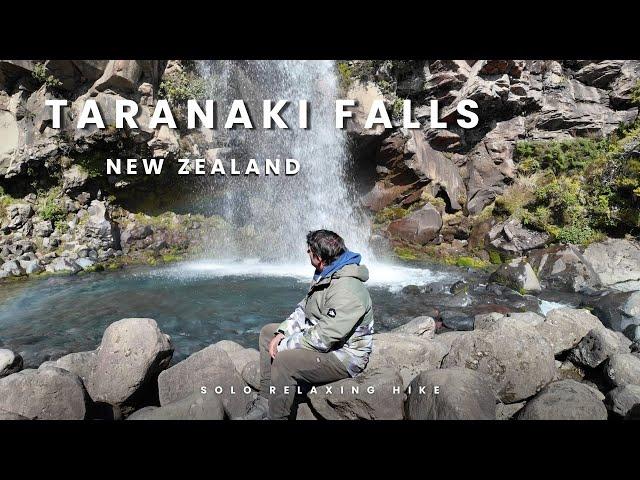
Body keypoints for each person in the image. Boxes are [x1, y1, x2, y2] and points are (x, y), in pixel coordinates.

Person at [241, 229, 374, 420]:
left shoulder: (348, 291)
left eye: (310, 250)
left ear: (319, 257)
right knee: (268, 333)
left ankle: (277, 416)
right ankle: (265, 401)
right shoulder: (326, 272)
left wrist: (284, 346)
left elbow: (324, 338)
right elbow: (305, 309)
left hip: (344, 356)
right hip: (325, 338)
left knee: (284, 361)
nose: (307, 252)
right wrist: (282, 332)